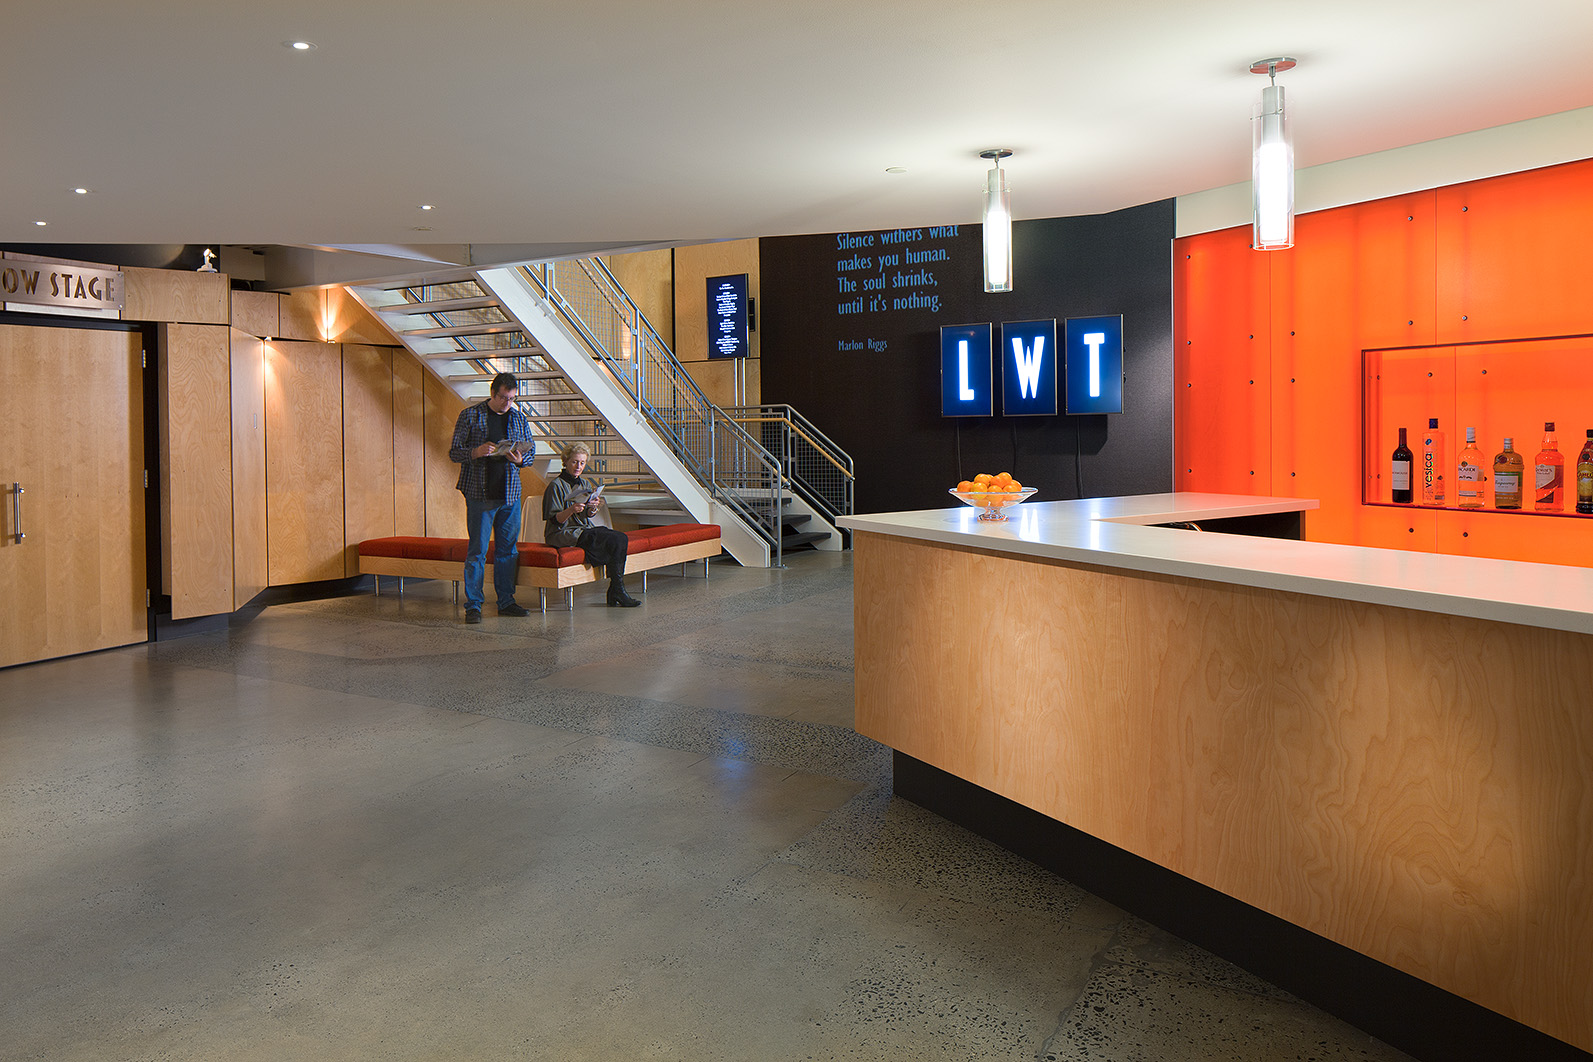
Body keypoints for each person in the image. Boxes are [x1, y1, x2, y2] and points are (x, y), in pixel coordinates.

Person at [450, 372, 536, 623]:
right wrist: (475, 452)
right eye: (503, 398)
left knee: (507, 551)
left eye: (511, 398)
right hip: (480, 493)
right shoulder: (471, 415)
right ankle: (473, 605)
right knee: (477, 551)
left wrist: (521, 460)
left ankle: (506, 601)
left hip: (510, 495)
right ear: (492, 393)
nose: (507, 403)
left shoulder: (519, 418)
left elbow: (529, 453)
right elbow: (454, 452)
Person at [543, 442, 639, 607]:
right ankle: (617, 590)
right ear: (565, 461)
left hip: (582, 529)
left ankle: (616, 588)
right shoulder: (555, 486)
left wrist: (593, 509)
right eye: (574, 462)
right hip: (562, 533)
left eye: (582, 463)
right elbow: (554, 520)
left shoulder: (585, 485)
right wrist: (571, 509)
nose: (578, 466)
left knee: (620, 537)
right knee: (612, 540)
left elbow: (587, 515)